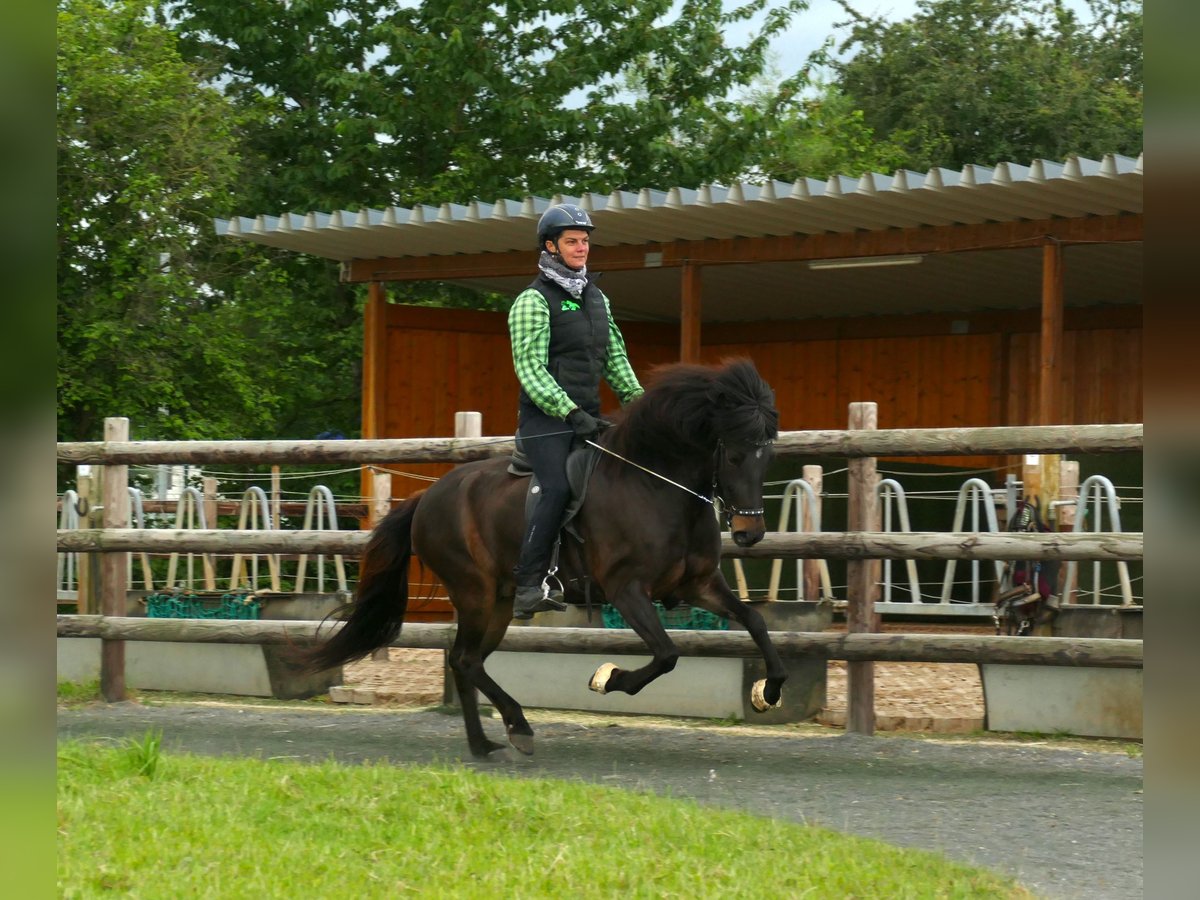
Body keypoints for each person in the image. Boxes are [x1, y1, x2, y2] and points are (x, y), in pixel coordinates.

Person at [508, 203, 644, 619]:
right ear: (551, 246)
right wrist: (568, 412)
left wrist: (642, 406)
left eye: (585, 241)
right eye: (572, 241)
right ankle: (528, 584)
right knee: (558, 488)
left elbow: (615, 359)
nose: (582, 248)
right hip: (546, 422)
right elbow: (529, 368)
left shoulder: (597, 298)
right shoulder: (532, 301)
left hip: (588, 416)